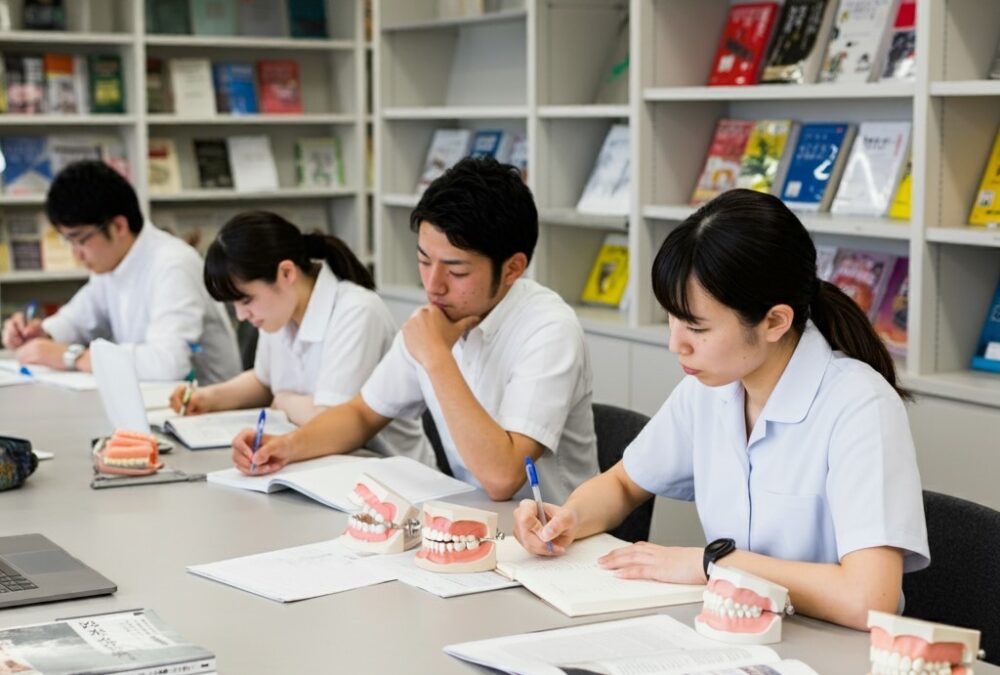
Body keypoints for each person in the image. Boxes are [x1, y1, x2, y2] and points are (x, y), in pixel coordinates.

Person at [512, 189, 929, 630]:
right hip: (735, 633)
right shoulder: (711, 387)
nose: (676, 343)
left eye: (697, 327)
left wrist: (714, 564)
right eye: (673, 318)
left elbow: (869, 599)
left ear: (774, 322)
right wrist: (567, 518)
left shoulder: (860, 406)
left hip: (829, 650)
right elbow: (623, 484)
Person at [230, 157, 598, 502]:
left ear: (513, 268)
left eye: (456, 271)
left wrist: (437, 356)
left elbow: (503, 477)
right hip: (470, 523)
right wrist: (286, 447)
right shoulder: (439, 317)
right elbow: (361, 414)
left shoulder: (549, 330)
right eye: (424, 260)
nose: (433, 285)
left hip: (556, 545)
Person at [169, 210, 433, 465]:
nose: (240, 315)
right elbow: (263, 381)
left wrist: (283, 402)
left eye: (246, 300)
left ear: (286, 273)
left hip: (389, 472)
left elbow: (332, 422)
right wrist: (208, 398)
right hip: (323, 465)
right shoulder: (279, 313)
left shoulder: (356, 311)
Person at [1, 160, 241, 383]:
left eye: (79, 240)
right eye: (68, 242)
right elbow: (77, 319)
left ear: (118, 226)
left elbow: (168, 364)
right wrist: (38, 333)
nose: (76, 253)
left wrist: (71, 356)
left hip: (206, 413)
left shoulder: (173, 265)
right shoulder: (113, 261)